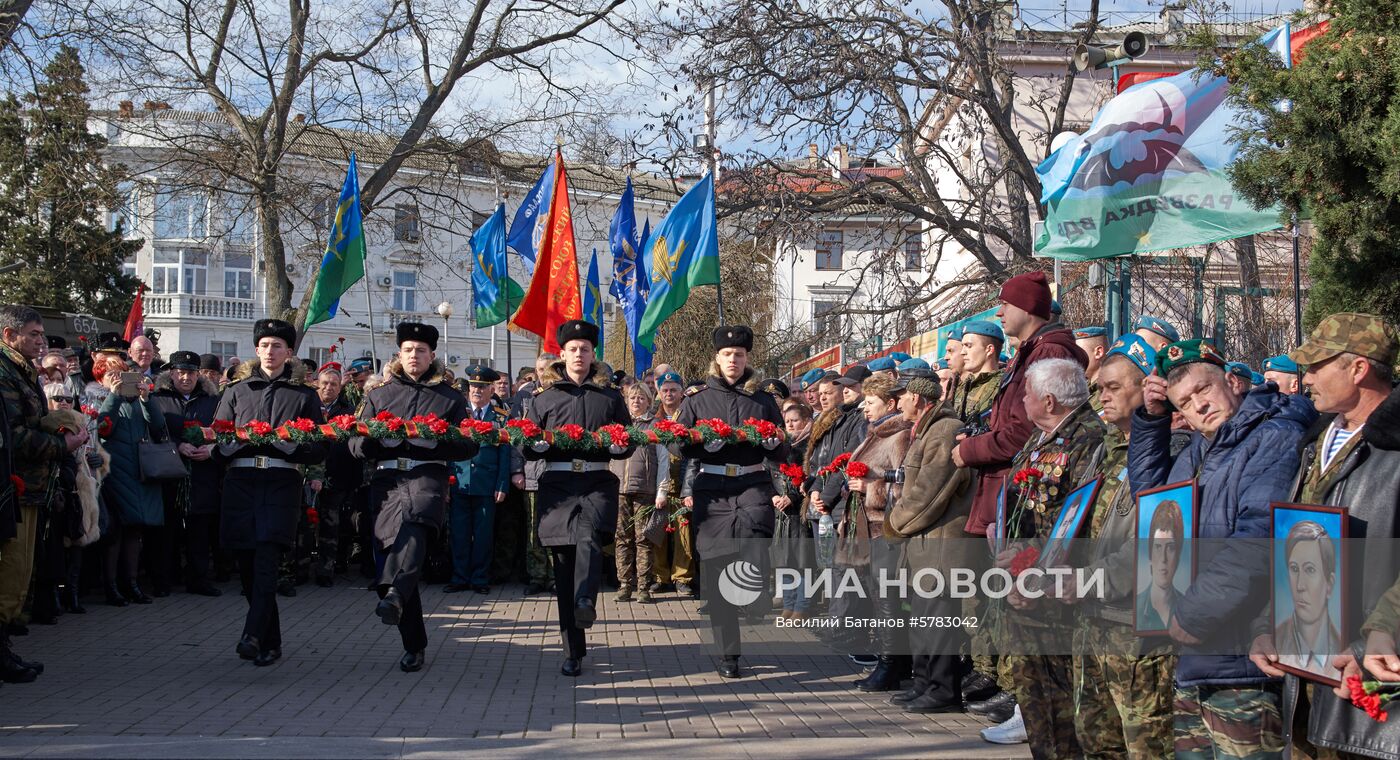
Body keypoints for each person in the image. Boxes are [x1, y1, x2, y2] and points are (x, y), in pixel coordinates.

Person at [1130, 338, 1316, 758]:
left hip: (1242, 661)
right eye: (1184, 402)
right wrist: (1152, 420)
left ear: (1232, 381)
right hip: (1199, 657)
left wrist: (1193, 613)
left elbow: (1260, 534)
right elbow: (1155, 506)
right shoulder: (1204, 447)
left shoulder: (1273, 436)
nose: (1197, 406)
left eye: (1203, 390)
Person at [1249, 313, 1400, 758]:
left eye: (1318, 365)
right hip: (1308, 684)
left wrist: (1380, 634)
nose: (1306, 376)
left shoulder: (1394, 451)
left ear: (1358, 369)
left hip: (1369, 687)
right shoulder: (1316, 443)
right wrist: (1266, 625)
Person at [953, 271, 1087, 720]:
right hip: (1011, 486)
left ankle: (1018, 696)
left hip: (1028, 489)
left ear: (1027, 309)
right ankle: (1009, 688)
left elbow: (1021, 429)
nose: (999, 311)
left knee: (1020, 591)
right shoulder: (1032, 350)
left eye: (1005, 304)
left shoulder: (1048, 351)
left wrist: (968, 449)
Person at [1052, 333, 1176, 758]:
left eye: (1113, 388)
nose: (1101, 397)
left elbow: (1157, 542)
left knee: (1145, 744)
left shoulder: (1172, 453)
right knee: (1096, 739)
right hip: (1093, 618)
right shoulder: (1103, 451)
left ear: (1149, 388)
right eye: (1100, 387)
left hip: (1135, 628)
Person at [981, 357, 1104, 756]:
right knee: (1035, 701)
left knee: (1061, 702)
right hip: (1024, 583)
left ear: (1048, 401)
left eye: (1027, 394)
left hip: (1056, 592)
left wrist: (1026, 562)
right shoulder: (1040, 438)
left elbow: (1078, 521)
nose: (1023, 401)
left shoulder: (1090, 440)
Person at [352, 322, 475, 672]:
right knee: (391, 563)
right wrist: (374, 441)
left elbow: (468, 444)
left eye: (421, 350)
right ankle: (413, 640)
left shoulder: (450, 398)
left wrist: (436, 441)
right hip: (387, 481)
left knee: (415, 531)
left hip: (427, 478)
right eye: (408, 350)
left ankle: (394, 595)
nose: (414, 356)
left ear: (432, 356)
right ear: (399, 354)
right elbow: (355, 443)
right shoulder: (379, 395)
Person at [674, 325, 787, 679]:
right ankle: (729, 655)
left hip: (753, 483)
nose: (733, 360)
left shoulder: (764, 399)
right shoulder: (697, 398)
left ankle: (754, 593)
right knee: (716, 569)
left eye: (739, 355)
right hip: (713, 489)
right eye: (727, 355)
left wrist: (772, 444)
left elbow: (783, 444)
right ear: (717, 358)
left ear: (748, 358)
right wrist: (700, 446)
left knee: (756, 537)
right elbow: (678, 444)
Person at [215, 319, 326, 667]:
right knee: (248, 568)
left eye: (277, 345)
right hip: (241, 484)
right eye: (264, 345)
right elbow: (217, 439)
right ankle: (271, 640)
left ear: (289, 353)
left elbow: (319, 448)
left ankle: (250, 635)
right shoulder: (236, 391)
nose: (270, 351)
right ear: (256, 350)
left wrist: (291, 447)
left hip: (280, 483)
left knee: (266, 560)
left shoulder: (304, 395)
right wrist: (226, 445)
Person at [525, 321, 632, 677]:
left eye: (585, 349)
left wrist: (621, 445)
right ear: (563, 354)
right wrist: (534, 445)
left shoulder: (610, 397)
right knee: (563, 566)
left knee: (588, 536)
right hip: (557, 483)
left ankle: (586, 599)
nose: (579, 355)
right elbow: (525, 443)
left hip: (597, 479)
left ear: (593, 354)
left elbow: (626, 438)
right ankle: (573, 650)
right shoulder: (544, 398)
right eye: (573, 349)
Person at [0, 306, 88, 683]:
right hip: (13, 489)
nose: (41, 342)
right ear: (9, 335)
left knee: (19, 578)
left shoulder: (21, 370)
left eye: (41, 334)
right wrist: (61, 445)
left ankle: (3, 652)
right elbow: (13, 435)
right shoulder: (5, 373)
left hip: (32, 488)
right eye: (33, 334)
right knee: (10, 576)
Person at [883, 369, 975, 714]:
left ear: (918, 399)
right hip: (923, 543)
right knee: (922, 619)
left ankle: (943, 690)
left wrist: (895, 524)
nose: (898, 401)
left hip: (940, 544)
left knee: (937, 622)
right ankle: (924, 683)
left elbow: (929, 494)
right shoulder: (926, 430)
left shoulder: (945, 431)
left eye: (902, 395)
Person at [842, 374, 913, 692]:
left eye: (870, 402)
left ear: (891, 403)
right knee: (879, 597)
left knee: (888, 600)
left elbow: (904, 483)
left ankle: (891, 665)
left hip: (885, 527)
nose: (864, 408)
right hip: (867, 526)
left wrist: (870, 486)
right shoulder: (876, 432)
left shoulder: (899, 434)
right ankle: (893, 663)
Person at [96, 348, 167, 605]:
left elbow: (159, 428)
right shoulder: (99, 399)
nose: (117, 380)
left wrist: (147, 399)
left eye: (122, 375)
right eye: (112, 375)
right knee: (114, 531)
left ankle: (132, 583)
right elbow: (103, 429)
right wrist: (113, 396)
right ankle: (111, 586)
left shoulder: (139, 400)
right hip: (113, 473)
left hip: (139, 472)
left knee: (135, 531)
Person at [149, 350, 223, 597]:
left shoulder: (212, 400)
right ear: (171, 373)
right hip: (168, 472)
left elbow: (223, 429)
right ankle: (163, 579)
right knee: (166, 531)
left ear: (198, 374)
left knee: (199, 530)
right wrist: (177, 444)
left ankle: (198, 579)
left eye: (191, 372)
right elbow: (151, 431)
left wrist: (212, 449)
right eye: (180, 372)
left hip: (202, 473)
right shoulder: (157, 398)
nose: (185, 377)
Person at [446, 365, 510, 595]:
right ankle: (459, 577)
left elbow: (505, 452)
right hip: (459, 481)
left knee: (483, 535)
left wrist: (502, 484)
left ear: (491, 391)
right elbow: (449, 450)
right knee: (460, 533)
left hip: (486, 484)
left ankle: (480, 578)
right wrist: (446, 482)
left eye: (482, 387)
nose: (477, 391)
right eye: (473, 386)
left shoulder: (501, 418)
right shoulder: (459, 415)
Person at [306, 364, 356, 587]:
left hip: (337, 476)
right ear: (317, 383)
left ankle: (326, 570)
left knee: (330, 524)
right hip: (306, 473)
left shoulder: (348, 410)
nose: (328, 388)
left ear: (340, 388)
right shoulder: (307, 405)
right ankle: (299, 568)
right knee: (304, 524)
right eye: (324, 383)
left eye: (334, 384)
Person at [517, 352, 560, 596]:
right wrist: (516, 471)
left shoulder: (562, 395)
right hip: (532, 474)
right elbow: (515, 437)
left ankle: (556, 576)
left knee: (555, 528)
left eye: (547, 369)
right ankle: (537, 575)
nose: (543, 374)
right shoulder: (525, 396)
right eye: (539, 369)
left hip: (555, 472)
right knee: (534, 530)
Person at [612, 382, 658, 604]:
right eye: (633, 398)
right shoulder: (619, 425)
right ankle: (624, 584)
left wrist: (662, 490)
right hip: (620, 488)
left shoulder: (655, 426)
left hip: (645, 490)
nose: (637, 402)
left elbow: (664, 460)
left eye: (641, 398)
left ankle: (644, 586)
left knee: (643, 539)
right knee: (621, 538)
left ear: (649, 401)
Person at [651, 370, 696, 596]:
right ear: (658, 393)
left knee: (682, 529)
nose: (669, 394)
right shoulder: (653, 417)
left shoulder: (689, 414)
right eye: (665, 390)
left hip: (683, 474)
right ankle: (659, 575)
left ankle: (682, 577)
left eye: (674, 390)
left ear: (681, 392)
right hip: (658, 477)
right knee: (658, 524)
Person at [772, 399, 814, 620]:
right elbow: (770, 473)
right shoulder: (780, 446)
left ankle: (802, 605)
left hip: (800, 511)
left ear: (806, 421)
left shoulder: (809, 446)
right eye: (787, 420)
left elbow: (810, 477)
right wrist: (774, 496)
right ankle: (788, 603)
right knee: (785, 559)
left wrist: (792, 496)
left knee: (802, 560)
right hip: (781, 513)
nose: (790, 424)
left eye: (795, 420)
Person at [1136, 499, 1185, 631]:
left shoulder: (1187, 608)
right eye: (1157, 547)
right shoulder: (1136, 606)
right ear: (1150, 555)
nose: (1163, 559)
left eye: (1170, 548)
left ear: (1178, 556)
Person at [952, 320, 1004, 427]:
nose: (963, 352)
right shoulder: (962, 387)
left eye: (969, 346)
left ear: (989, 350)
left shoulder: (1003, 386)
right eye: (963, 346)